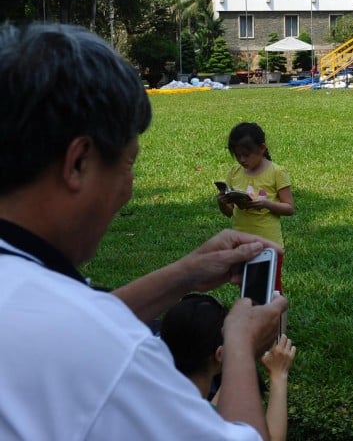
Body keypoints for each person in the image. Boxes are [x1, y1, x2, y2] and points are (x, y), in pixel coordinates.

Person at [0, 22, 287, 440]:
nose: (128, 190)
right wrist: (239, 347)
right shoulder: (114, 355)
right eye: (129, 164)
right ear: (79, 162)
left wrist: (184, 274)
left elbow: (49, 317)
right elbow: (84, 334)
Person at [160, 294, 297, 441]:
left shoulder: (149, 394)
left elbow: (214, 410)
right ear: (220, 354)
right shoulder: (203, 426)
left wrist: (243, 354)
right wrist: (278, 374)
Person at [217, 122, 294, 292]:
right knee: (248, 291)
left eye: (246, 154)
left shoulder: (276, 172)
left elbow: (289, 207)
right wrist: (223, 202)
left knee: (271, 292)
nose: (242, 160)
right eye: (237, 155)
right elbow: (230, 213)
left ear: (262, 148)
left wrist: (267, 204)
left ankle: (277, 319)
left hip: (268, 246)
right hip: (241, 244)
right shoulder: (235, 172)